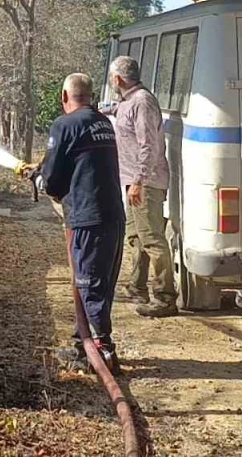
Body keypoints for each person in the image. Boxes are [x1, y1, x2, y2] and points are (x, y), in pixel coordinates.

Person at [28, 72, 127, 372]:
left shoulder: (64, 124)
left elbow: (55, 182)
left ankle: (102, 348)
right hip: (113, 215)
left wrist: (39, 179)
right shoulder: (103, 123)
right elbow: (83, 163)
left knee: (88, 283)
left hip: (88, 219)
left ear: (64, 97)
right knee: (101, 283)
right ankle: (83, 341)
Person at [108, 55, 177, 317]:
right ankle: (137, 286)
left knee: (153, 240)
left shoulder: (142, 102)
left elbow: (149, 145)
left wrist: (138, 181)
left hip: (145, 182)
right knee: (137, 237)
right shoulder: (128, 102)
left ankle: (165, 297)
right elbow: (119, 115)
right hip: (133, 182)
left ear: (118, 79)